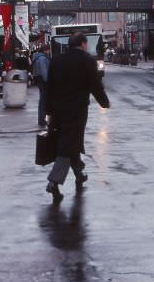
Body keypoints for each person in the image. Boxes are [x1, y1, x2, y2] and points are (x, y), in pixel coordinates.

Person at [45, 33, 110, 203]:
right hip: (77, 110)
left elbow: (49, 88)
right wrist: (104, 102)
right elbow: (95, 84)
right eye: (86, 44)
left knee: (71, 140)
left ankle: (79, 173)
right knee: (68, 143)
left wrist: (49, 112)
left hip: (58, 111)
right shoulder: (87, 60)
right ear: (82, 44)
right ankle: (54, 181)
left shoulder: (57, 60)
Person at [31, 45, 51, 128]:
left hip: (39, 80)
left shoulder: (37, 57)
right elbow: (44, 71)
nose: (49, 52)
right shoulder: (42, 58)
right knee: (43, 101)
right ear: (46, 50)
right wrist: (48, 81)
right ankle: (42, 120)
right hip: (43, 81)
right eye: (48, 50)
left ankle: (42, 119)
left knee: (42, 100)